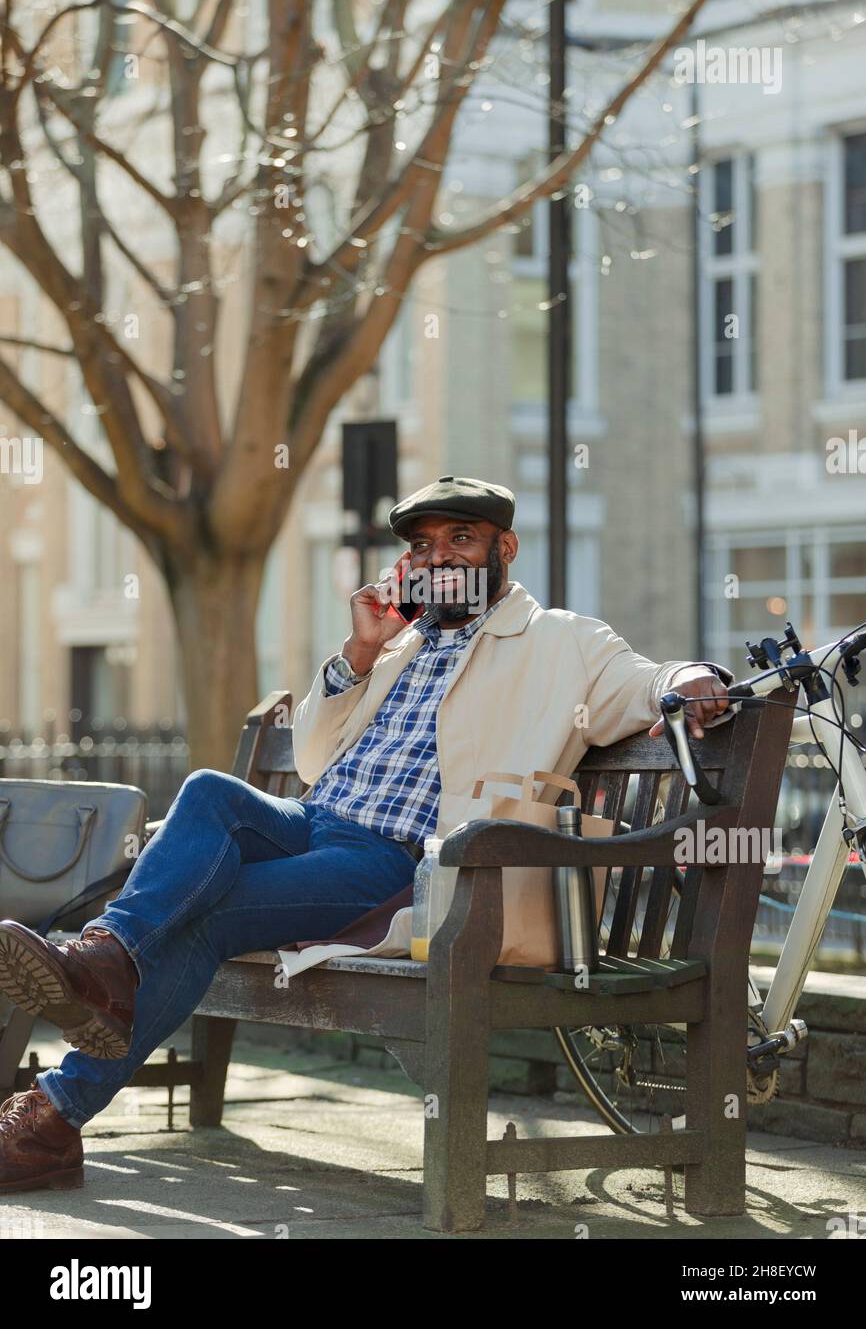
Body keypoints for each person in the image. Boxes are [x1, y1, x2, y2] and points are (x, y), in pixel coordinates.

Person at [0, 475, 731, 1193]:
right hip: (310, 824)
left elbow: (643, 679)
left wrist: (693, 676)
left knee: (202, 919)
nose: (439, 557)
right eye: (423, 545)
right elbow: (314, 756)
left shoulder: (560, 641)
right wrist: (359, 651)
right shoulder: (399, 647)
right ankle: (105, 960)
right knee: (207, 790)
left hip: (388, 862)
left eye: (461, 539)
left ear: (505, 546)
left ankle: (55, 1110)